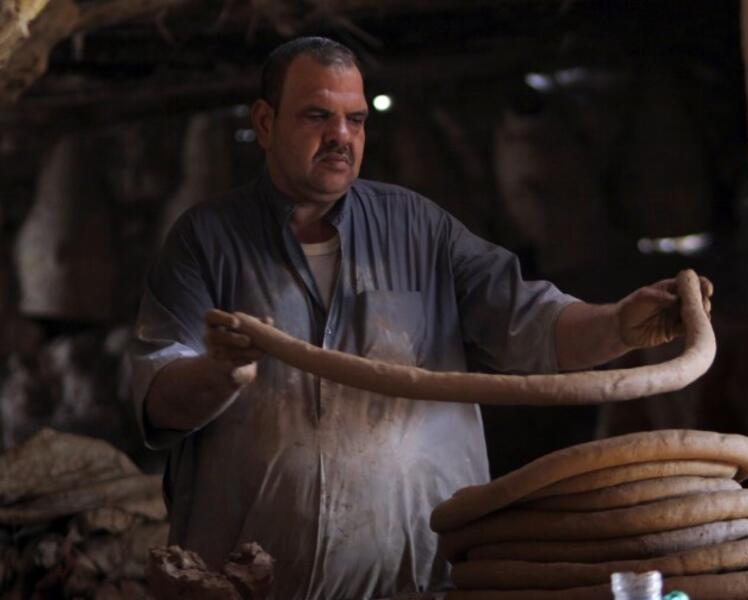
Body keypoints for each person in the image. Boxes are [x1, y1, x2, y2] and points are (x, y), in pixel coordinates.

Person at [130, 36, 712, 599]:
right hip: (250, 584)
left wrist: (618, 325)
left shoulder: (419, 228)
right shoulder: (205, 240)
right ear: (264, 122)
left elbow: (533, 326)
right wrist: (220, 373)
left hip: (419, 583)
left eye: (355, 120)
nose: (341, 136)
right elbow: (156, 397)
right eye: (315, 116)